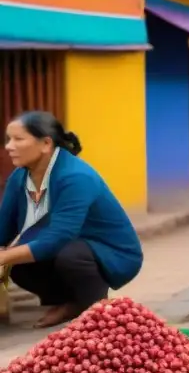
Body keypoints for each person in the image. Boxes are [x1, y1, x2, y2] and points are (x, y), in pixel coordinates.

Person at [0, 111, 143, 327]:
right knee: (20, 266)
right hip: (63, 245)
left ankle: (96, 311)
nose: (9, 146)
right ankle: (70, 303)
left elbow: (59, 237)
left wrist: (3, 257)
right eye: (8, 139)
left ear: (46, 144)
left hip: (109, 251)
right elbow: (3, 227)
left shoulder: (75, 177)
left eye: (18, 139)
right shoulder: (20, 176)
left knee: (69, 255)